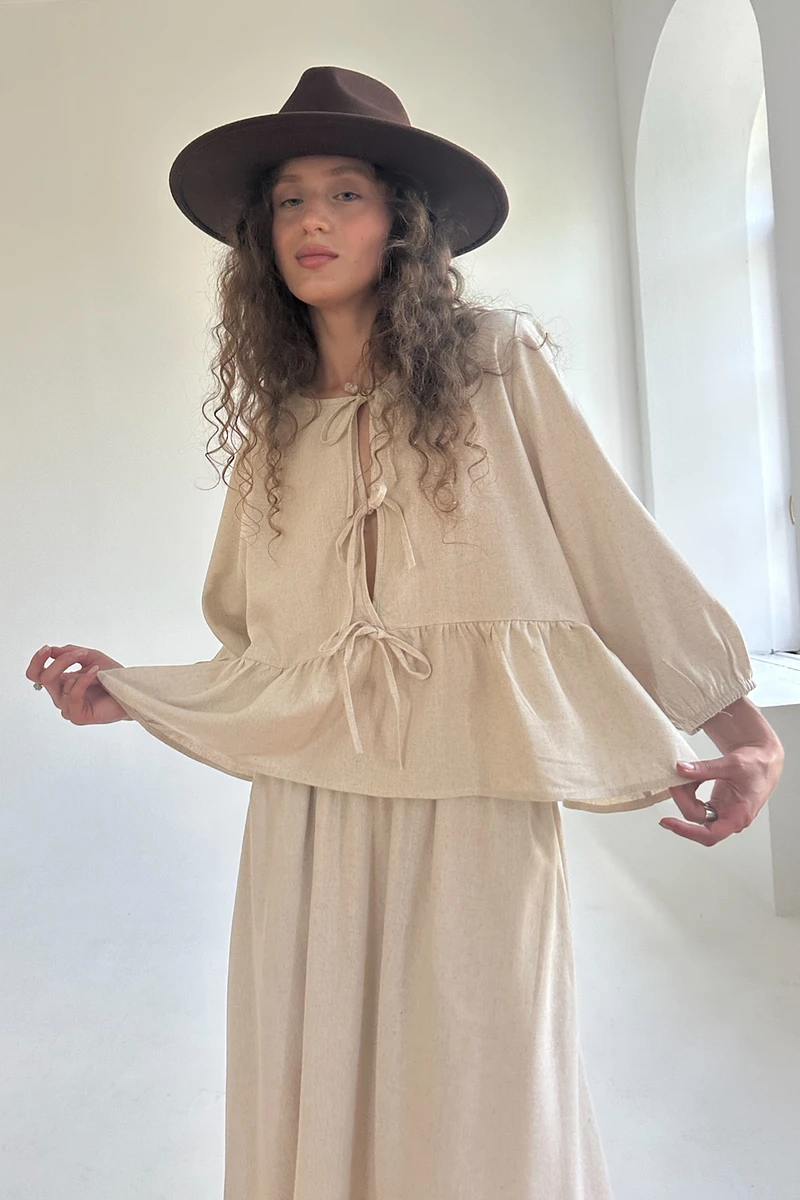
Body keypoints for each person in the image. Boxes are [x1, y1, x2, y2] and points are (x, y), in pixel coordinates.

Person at [26, 66, 784, 1199]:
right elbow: (263, 654)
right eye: (290, 200)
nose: (314, 221)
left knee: (480, 1089)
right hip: (309, 817)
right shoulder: (273, 429)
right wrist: (132, 695)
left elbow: (612, 551)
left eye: (346, 194)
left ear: (401, 223)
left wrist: (748, 737)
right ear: (261, 235)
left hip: (473, 792)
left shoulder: (493, 364)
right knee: (312, 1081)